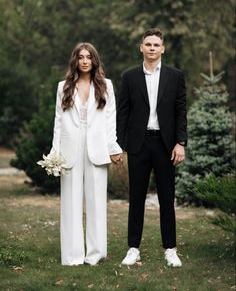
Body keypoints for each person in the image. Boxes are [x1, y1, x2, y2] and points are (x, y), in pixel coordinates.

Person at [117, 28, 187, 267]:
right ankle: (133, 248)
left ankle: (170, 249)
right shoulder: (129, 77)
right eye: (148, 44)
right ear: (141, 47)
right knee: (136, 198)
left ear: (163, 48)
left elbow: (181, 111)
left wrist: (181, 142)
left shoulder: (175, 76)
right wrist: (119, 145)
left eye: (156, 45)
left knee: (167, 199)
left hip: (166, 145)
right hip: (138, 144)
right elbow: (123, 113)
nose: (152, 48)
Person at [50, 42, 122, 266]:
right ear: (75, 60)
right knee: (70, 203)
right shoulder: (63, 86)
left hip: (97, 147)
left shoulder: (106, 85)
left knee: (97, 202)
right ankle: (72, 256)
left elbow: (111, 119)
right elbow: (58, 121)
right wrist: (55, 153)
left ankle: (95, 254)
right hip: (70, 147)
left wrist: (113, 147)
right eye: (80, 57)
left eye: (88, 57)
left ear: (94, 60)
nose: (84, 61)